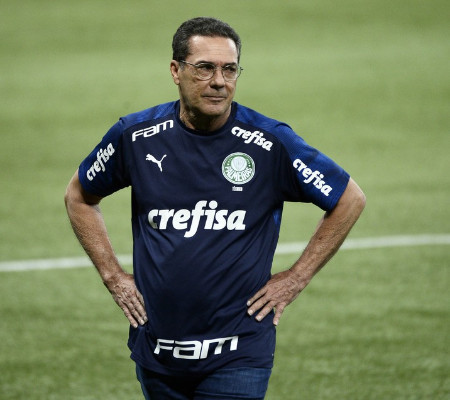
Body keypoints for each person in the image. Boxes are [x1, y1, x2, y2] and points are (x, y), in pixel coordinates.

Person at [64, 16, 366, 400]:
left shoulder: (269, 143)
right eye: (205, 68)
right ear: (176, 71)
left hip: (239, 350)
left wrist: (296, 277)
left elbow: (348, 198)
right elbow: (79, 196)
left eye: (230, 69)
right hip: (158, 349)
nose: (219, 81)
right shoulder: (135, 137)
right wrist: (113, 276)